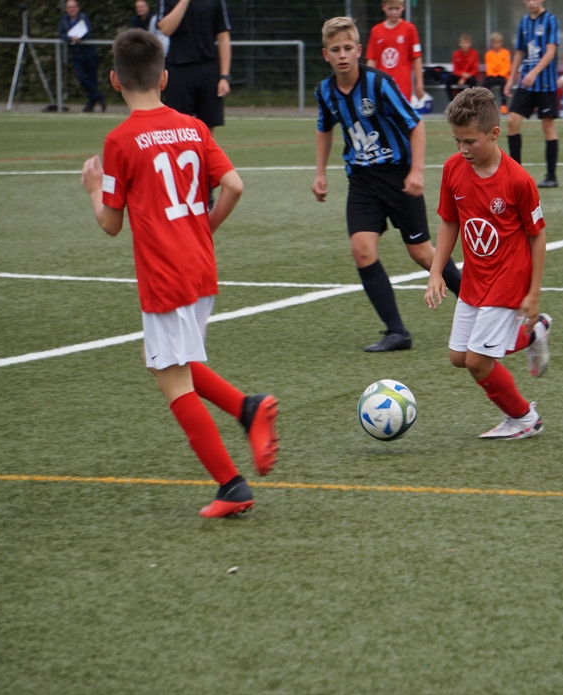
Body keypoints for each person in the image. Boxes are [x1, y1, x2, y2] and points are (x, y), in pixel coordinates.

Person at [80, 29, 278, 517]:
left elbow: (110, 224)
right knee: (168, 361)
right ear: (165, 78)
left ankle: (231, 485)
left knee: (172, 380)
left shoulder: (120, 140)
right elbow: (234, 185)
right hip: (200, 267)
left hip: (164, 275)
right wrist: (203, 229)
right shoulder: (194, 127)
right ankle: (247, 408)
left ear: (114, 80)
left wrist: (93, 189)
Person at [313, 17, 463, 353]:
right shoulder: (325, 91)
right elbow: (324, 128)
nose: (342, 55)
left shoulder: (379, 83)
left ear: (358, 50)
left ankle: (481, 306)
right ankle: (397, 332)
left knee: (422, 253)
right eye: (335, 49)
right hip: (361, 181)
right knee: (362, 250)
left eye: (347, 48)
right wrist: (320, 173)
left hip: (398, 177)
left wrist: (417, 172)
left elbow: (416, 125)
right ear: (326, 54)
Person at [425, 87, 551, 440]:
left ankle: (524, 418)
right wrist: (436, 271)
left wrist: (533, 293)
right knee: (458, 357)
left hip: (509, 278)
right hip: (474, 277)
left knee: (477, 362)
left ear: (494, 133)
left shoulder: (518, 181)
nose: (463, 149)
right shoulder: (453, 169)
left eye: (470, 141)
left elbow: (537, 235)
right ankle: (533, 332)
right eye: (457, 141)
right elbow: (450, 222)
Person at [504, 0, 560, 189]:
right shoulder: (524, 22)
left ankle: (551, 176)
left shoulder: (551, 20)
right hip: (526, 82)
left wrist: (534, 72)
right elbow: (520, 52)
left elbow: (551, 52)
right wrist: (511, 79)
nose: (531, 2)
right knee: (512, 120)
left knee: (548, 125)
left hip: (545, 83)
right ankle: (516, 176)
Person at [157, 0, 231, 134]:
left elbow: (223, 37)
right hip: (178, 70)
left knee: (207, 128)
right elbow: (166, 29)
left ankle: (205, 149)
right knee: (178, 127)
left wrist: (224, 77)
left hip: (208, 69)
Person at [365, 0, 424, 102]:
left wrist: (419, 84)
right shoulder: (376, 31)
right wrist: (367, 84)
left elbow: (417, 58)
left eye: (397, 8)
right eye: (390, 8)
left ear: (403, 7)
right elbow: (371, 60)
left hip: (403, 85)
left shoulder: (410, 29)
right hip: (381, 84)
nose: (394, 12)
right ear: (383, 7)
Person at [58, 0, 106, 113]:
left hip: (89, 53)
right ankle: (98, 96)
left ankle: (90, 104)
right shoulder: (64, 20)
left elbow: (87, 31)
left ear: (78, 8)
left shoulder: (84, 17)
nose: (72, 9)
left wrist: (80, 37)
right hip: (76, 55)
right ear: (66, 9)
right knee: (81, 77)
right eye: (69, 7)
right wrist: (70, 38)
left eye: (73, 7)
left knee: (92, 79)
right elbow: (61, 34)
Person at [444, 33, 480, 105]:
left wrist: (464, 78)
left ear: (470, 43)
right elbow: (455, 70)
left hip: (469, 76)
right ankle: (452, 102)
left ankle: (470, 103)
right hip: (459, 75)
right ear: (460, 44)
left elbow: (475, 70)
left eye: (467, 43)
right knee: (448, 80)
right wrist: (462, 75)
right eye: (463, 43)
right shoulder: (456, 54)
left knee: (473, 81)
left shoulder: (474, 53)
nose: (465, 45)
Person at [481, 32, 511, 114]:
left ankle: (504, 105)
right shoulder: (488, 54)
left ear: (501, 42)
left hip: (502, 76)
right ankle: (485, 105)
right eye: (494, 43)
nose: (496, 45)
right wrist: (493, 74)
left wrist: (500, 73)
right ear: (492, 43)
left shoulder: (506, 53)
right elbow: (489, 66)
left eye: (498, 42)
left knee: (504, 83)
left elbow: (506, 66)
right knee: (485, 84)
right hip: (492, 75)